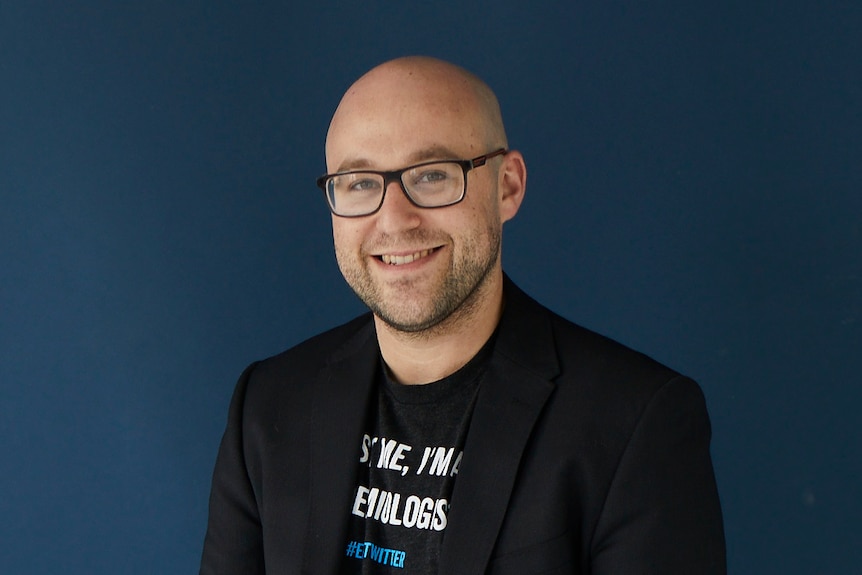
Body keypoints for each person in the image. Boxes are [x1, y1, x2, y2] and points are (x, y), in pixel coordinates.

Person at [199, 56, 726, 575]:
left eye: (431, 175)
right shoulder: (268, 404)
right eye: (359, 182)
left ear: (508, 187)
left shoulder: (633, 424)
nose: (394, 220)